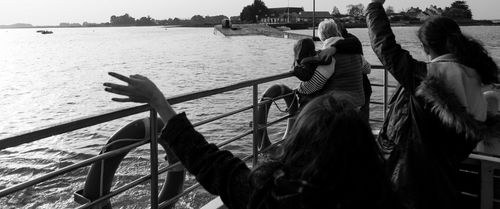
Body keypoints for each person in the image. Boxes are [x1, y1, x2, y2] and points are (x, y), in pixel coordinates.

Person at [103, 72, 401, 209]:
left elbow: (212, 163)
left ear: (300, 144)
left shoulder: (274, 196)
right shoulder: (383, 195)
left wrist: (158, 101)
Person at [366, 0, 499, 209]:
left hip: (414, 182)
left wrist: (375, 6)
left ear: (427, 49)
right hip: (447, 178)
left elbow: (385, 47)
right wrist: (435, 24)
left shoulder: (426, 76)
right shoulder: (474, 75)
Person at [297, 19, 370, 109]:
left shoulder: (327, 55)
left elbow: (314, 85)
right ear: (336, 31)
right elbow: (367, 69)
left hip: (338, 105)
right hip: (357, 103)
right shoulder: (354, 51)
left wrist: (300, 88)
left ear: (321, 36)